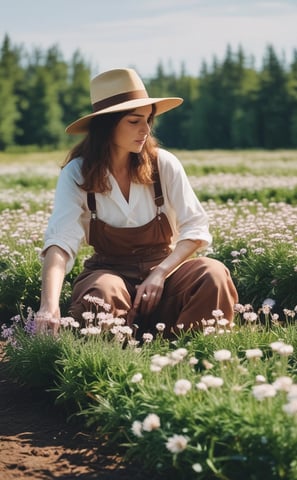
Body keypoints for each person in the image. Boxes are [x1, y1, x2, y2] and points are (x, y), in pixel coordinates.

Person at [38, 67, 238, 339]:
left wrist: (161, 272)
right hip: (107, 272)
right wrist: (48, 306)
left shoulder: (163, 164)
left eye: (148, 120)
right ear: (107, 125)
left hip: (165, 273)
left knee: (213, 274)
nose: (145, 130)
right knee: (102, 295)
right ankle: (114, 363)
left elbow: (196, 228)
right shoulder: (77, 172)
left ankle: (193, 354)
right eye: (134, 121)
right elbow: (61, 242)